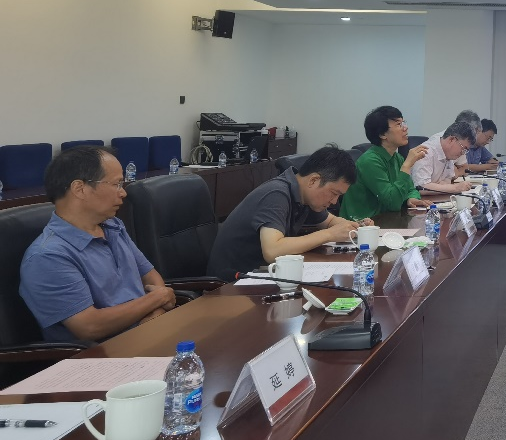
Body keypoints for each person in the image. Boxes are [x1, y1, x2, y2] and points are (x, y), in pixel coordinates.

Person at [19, 146, 176, 342]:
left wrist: (155, 315)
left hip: (149, 332)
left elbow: (150, 276)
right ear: (80, 189)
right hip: (105, 354)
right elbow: (90, 327)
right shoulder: (48, 256)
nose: (123, 193)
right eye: (116, 184)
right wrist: (157, 300)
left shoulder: (113, 226)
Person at [207, 145, 368, 282]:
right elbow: (272, 251)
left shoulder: (305, 196)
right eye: (334, 193)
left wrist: (355, 227)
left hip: (265, 274)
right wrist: (329, 234)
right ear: (313, 180)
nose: (334, 201)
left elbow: (330, 221)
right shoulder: (276, 194)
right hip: (230, 283)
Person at [340, 106, 432, 221]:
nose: (405, 128)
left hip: (386, 219)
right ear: (382, 134)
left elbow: (410, 189)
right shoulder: (370, 161)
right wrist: (407, 165)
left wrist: (410, 198)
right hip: (362, 224)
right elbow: (392, 203)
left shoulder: (397, 157)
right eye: (398, 124)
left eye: (403, 123)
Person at [412, 122, 477, 194]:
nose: (463, 153)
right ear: (451, 140)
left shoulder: (448, 154)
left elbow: (447, 181)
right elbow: (421, 187)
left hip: (436, 198)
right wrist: (455, 188)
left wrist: (441, 186)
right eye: (463, 148)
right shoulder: (426, 152)